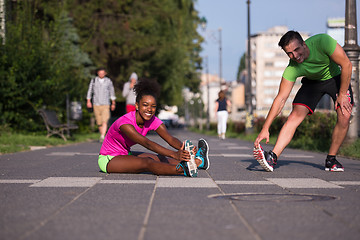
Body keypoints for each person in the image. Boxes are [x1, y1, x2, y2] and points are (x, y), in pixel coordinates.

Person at [253, 31, 353, 172]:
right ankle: (272, 157)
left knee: (345, 115)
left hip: (335, 78)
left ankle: (331, 159)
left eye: (297, 49)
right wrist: (265, 128)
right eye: (290, 53)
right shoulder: (292, 68)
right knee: (294, 116)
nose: (295, 56)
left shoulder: (322, 41)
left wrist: (342, 94)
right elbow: (280, 99)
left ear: (304, 44)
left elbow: (347, 65)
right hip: (312, 83)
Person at [97, 78, 210, 177]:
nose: (149, 109)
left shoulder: (153, 120)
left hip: (125, 153)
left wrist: (184, 149)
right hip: (109, 159)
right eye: (145, 105)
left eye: (153, 106)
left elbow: (170, 139)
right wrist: (174, 154)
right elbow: (147, 143)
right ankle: (182, 170)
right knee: (147, 162)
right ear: (137, 105)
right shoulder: (125, 124)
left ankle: (199, 162)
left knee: (159, 158)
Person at [86, 68, 116, 142]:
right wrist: (88, 101)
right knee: (99, 122)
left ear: (105, 73)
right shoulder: (93, 81)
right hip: (96, 103)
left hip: (105, 103)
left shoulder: (108, 81)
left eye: (103, 73)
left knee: (104, 120)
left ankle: (102, 136)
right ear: (97, 73)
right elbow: (90, 91)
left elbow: (112, 92)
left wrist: (113, 102)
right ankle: (102, 134)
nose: (101, 74)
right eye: (100, 73)